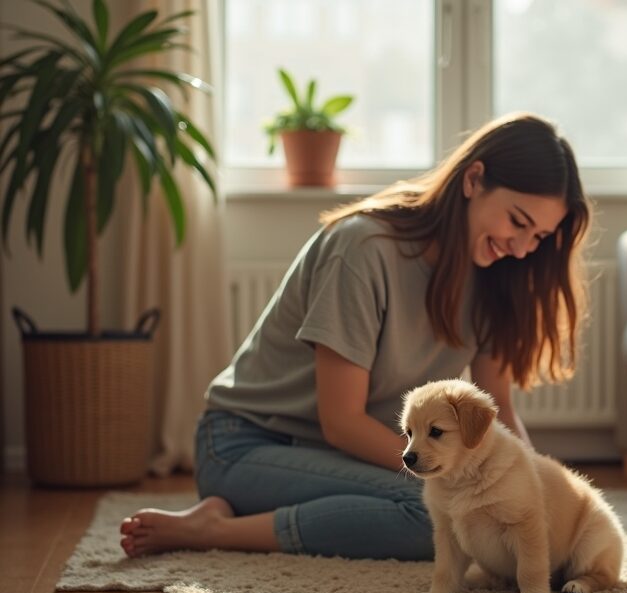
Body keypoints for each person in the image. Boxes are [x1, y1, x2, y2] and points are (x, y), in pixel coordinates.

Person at [119, 111, 592, 561]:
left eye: (538, 239)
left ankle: (234, 511)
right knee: (437, 517)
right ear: (473, 180)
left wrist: (534, 494)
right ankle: (216, 531)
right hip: (247, 445)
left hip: (340, 457)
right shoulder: (364, 247)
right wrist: (469, 485)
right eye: (518, 222)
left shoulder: (497, 279)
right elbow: (341, 420)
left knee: (480, 511)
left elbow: (500, 409)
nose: (522, 248)